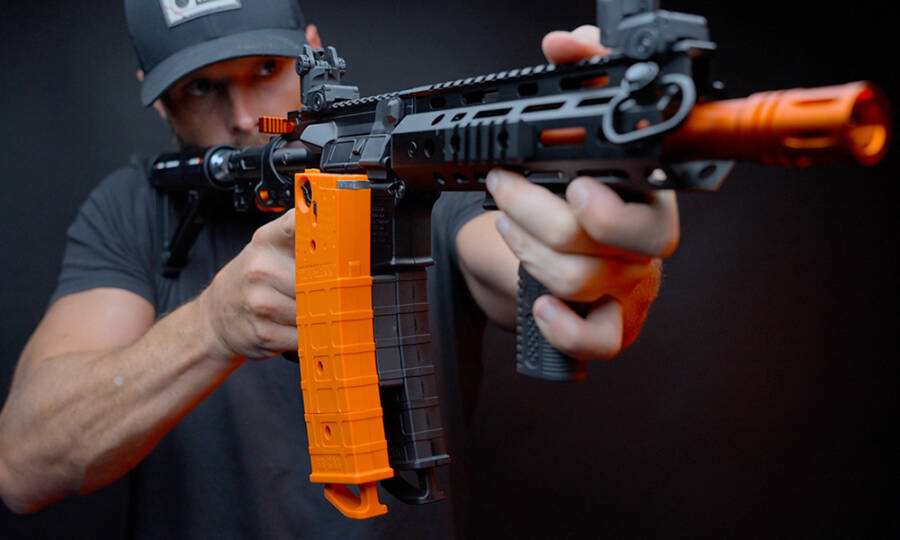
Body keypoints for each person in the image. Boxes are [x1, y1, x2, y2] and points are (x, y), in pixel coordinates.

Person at [0, 0, 677, 537]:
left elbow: (513, 256)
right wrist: (213, 325)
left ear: (311, 50)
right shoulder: (132, 210)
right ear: (156, 95)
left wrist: (597, 254)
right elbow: (22, 466)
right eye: (202, 87)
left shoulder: (411, 171)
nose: (244, 118)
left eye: (267, 69)